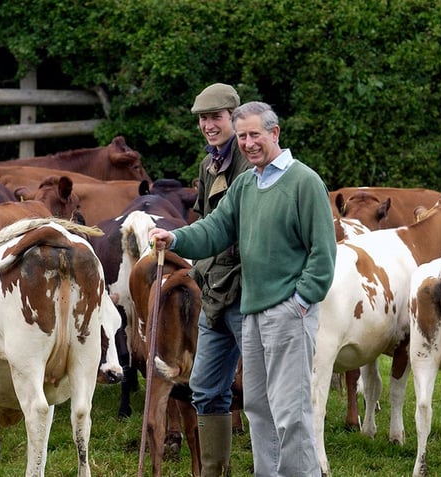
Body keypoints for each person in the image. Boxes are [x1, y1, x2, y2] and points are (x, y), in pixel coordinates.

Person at [149, 101, 336, 477]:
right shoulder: (248, 183)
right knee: (258, 409)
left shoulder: (305, 182)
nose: (249, 143)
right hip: (251, 311)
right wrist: (176, 238)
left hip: (288, 312)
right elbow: (215, 229)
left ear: (275, 133)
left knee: (291, 410)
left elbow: (323, 252)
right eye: (245, 136)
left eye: (256, 135)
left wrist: (300, 302)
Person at [187, 83, 252, 477]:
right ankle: (216, 472)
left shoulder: (250, 162)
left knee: (262, 394)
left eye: (216, 117)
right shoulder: (207, 164)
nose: (209, 125)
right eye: (203, 119)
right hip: (214, 293)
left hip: (247, 292)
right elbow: (203, 222)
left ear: (234, 117)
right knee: (206, 389)